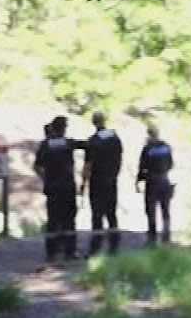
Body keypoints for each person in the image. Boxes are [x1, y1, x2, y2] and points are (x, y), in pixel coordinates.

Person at [33, 117, 82, 262]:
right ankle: (70, 252)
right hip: (67, 187)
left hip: (53, 187)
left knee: (53, 220)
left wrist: (46, 178)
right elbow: (87, 145)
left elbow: (37, 166)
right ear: (64, 129)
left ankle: (51, 253)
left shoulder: (46, 145)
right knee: (69, 220)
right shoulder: (68, 143)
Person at [81, 111, 124, 255]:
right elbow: (120, 157)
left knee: (97, 215)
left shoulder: (93, 141)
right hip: (112, 180)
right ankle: (114, 246)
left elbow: (88, 165)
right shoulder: (115, 137)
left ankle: (96, 248)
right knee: (112, 213)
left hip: (97, 182)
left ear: (94, 123)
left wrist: (83, 183)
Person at [134, 123, 175, 245]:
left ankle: (152, 238)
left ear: (148, 134)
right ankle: (166, 237)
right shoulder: (166, 147)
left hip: (152, 182)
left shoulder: (148, 148)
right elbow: (171, 164)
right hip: (165, 180)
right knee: (165, 210)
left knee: (151, 210)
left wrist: (138, 181)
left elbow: (142, 167)